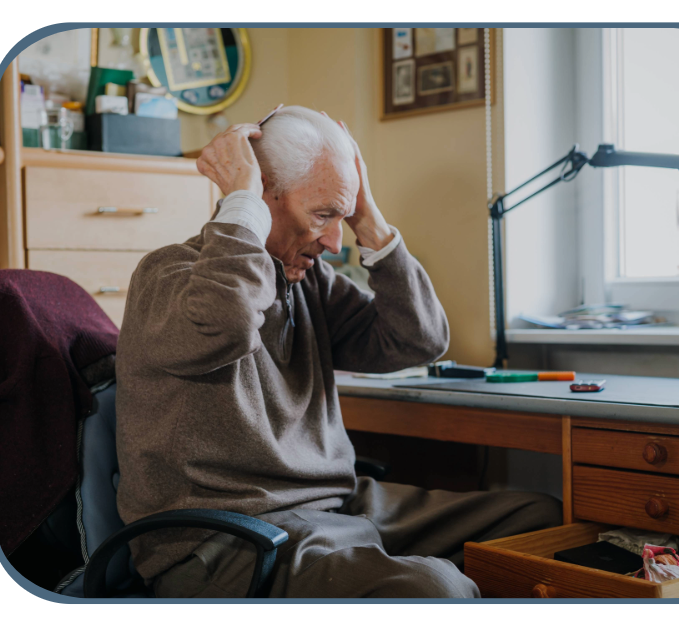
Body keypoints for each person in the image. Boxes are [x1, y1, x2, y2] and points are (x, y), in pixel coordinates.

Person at [114, 105, 560, 598]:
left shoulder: (307, 282)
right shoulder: (169, 274)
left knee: (539, 522)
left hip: (337, 510)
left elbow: (418, 340)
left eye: (341, 217)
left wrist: (367, 217)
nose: (333, 241)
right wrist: (238, 202)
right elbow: (228, 321)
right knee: (437, 591)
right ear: (261, 194)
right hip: (228, 541)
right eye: (323, 215)